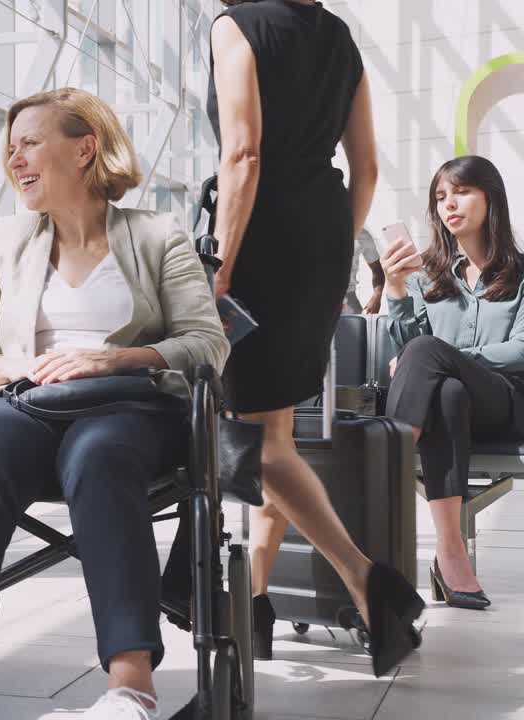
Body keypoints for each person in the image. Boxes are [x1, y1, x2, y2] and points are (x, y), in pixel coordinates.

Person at [0, 88, 229, 720]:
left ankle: (131, 687)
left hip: (126, 407)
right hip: (22, 402)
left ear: (84, 149)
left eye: (30, 143)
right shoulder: (3, 238)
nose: (15, 160)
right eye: (10, 147)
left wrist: (116, 358)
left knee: (100, 458)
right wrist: (15, 367)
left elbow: (207, 343)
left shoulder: (157, 236)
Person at [207, 0, 423, 672]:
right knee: (273, 436)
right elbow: (368, 170)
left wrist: (219, 268)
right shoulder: (339, 37)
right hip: (323, 240)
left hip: (260, 240)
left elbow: (242, 152)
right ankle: (257, 604)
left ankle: (369, 584)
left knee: (259, 442)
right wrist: (332, 245)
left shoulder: (236, 26)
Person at [381, 155, 524, 610]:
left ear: (490, 198)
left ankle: (383, 469)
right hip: (447, 408)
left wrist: (449, 356)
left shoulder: (521, 275)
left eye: (461, 192)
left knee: (433, 359)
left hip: (503, 403)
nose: (449, 204)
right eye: (440, 197)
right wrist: (396, 290)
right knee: (447, 389)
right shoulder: (428, 276)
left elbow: (521, 349)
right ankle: (451, 555)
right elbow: (407, 346)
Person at [345, 227, 385, 314]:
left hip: (349, 297)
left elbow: (377, 269)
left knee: (358, 326)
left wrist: (377, 296)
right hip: (317, 296)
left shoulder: (362, 234)